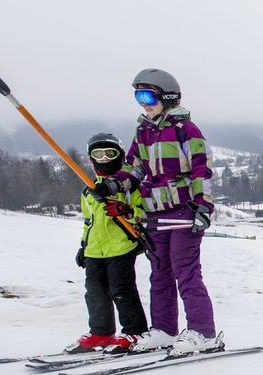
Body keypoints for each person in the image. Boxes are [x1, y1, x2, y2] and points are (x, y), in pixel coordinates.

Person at [93, 68, 221, 356]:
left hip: (184, 212)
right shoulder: (143, 132)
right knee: (159, 274)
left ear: (168, 97)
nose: (144, 103)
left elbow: (202, 169)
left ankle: (203, 331)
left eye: (149, 95)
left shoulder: (186, 130)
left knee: (185, 271)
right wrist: (113, 185)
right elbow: (134, 168)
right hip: (154, 214)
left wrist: (204, 205)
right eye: (138, 96)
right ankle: (164, 330)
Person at [66, 133, 149, 353]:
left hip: (121, 246)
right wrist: (84, 246)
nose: (104, 159)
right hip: (95, 249)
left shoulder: (129, 187)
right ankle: (101, 332)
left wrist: (127, 211)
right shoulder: (89, 189)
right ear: (91, 159)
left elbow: (145, 214)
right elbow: (88, 221)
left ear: (120, 156)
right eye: (98, 155)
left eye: (109, 154)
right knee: (94, 291)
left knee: (120, 289)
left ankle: (135, 331)